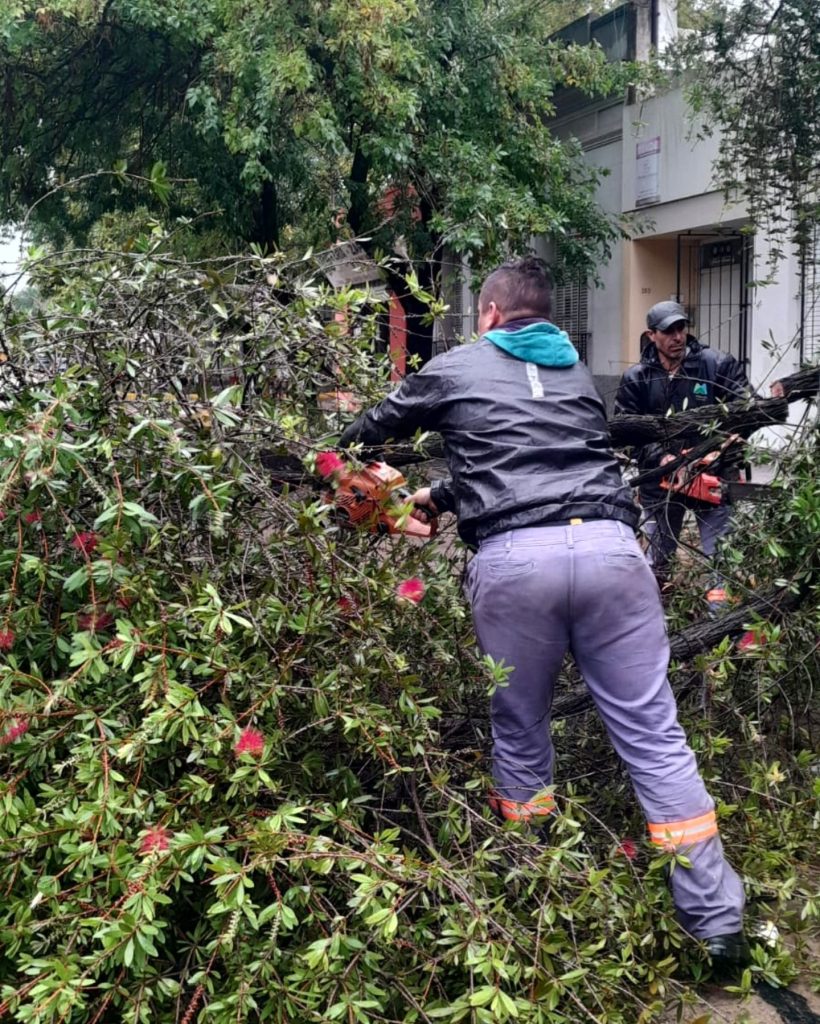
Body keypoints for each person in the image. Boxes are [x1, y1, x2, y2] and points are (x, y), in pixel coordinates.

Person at [339, 258, 748, 967]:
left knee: (521, 727)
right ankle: (718, 926)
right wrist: (442, 496)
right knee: (654, 734)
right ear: (548, 321)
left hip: (515, 566)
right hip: (615, 553)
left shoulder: (459, 364)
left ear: (490, 316)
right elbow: (539, 460)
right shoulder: (577, 379)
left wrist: (358, 490)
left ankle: (536, 893)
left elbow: (367, 435)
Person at [614, 301, 752, 612]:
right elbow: (626, 434)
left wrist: (722, 447)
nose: (678, 336)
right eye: (668, 331)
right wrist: (661, 459)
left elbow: (747, 409)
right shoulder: (637, 378)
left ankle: (720, 624)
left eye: (681, 328)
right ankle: (648, 616)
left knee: (722, 556)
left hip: (713, 477)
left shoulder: (717, 365)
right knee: (657, 556)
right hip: (661, 485)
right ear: (652, 335)